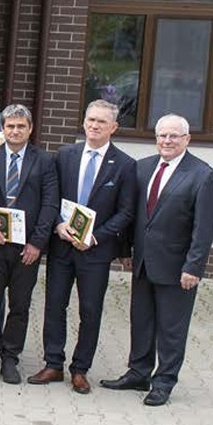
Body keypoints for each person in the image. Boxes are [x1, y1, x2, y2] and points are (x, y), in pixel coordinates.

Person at [100, 114, 213, 406]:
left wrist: (193, 267)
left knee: (171, 329)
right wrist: (125, 250)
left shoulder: (202, 174)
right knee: (142, 322)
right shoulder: (142, 168)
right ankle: (138, 373)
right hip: (142, 263)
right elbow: (131, 214)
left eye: (174, 136)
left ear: (187, 139)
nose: (167, 141)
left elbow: (204, 228)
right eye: (162, 135)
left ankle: (163, 382)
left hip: (177, 268)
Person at [30, 100, 136, 393]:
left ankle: (80, 369)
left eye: (102, 122)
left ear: (113, 127)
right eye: (91, 120)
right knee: (54, 305)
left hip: (95, 252)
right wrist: (57, 225)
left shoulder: (125, 165)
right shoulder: (65, 155)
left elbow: (126, 211)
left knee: (90, 311)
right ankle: (53, 363)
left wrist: (96, 237)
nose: (94, 126)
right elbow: (51, 197)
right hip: (63, 246)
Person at [0, 104, 58, 384]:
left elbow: (50, 204)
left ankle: (10, 357)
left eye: (21, 126)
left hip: (26, 249)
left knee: (20, 305)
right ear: (2, 128)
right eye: (10, 126)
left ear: (30, 129)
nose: (15, 131)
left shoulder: (45, 161)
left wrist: (37, 243)